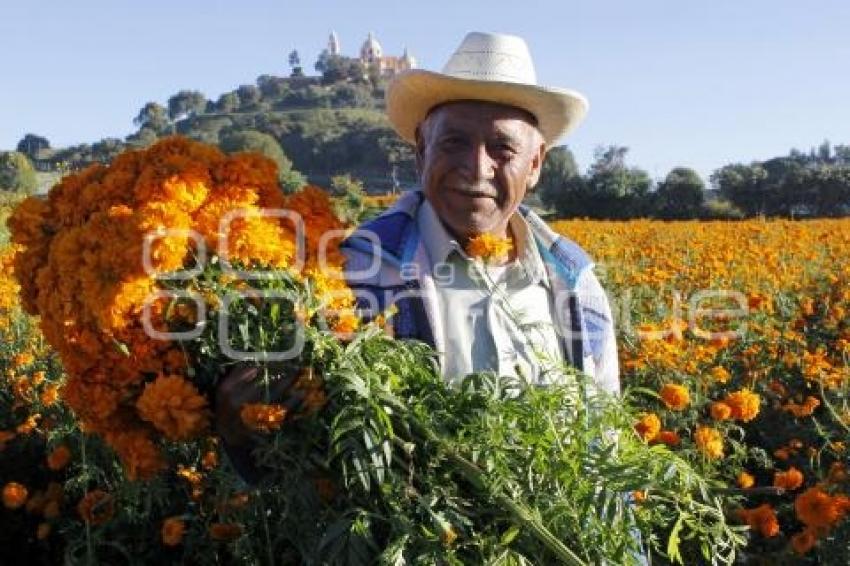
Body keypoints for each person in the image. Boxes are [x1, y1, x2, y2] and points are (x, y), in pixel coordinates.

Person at [216, 31, 619, 481]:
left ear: (537, 163)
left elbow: (608, 457)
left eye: (502, 148)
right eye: (453, 143)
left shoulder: (576, 285)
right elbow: (298, 473)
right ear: (421, 150)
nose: (477, 167)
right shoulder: (348, 278)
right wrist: (241, 434)